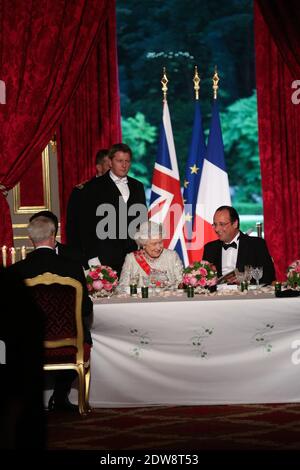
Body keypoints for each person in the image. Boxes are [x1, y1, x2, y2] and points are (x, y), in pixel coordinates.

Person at [7, 215, 93, 412]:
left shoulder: (15, 271)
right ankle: (61, 396)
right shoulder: (71, 268)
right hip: (68, 339)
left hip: (27, 341)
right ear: (53, 236)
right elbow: (86, 309)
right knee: (83, 334)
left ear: (31, 239)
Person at [81, 143, 147, 276]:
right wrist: (92, 258)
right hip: (103, 257)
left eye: (127, 161)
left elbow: (142, 223)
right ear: (110, 162)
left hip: (133, 257)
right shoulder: (93, 187)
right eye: (119, 161)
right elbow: (86, 226)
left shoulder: (138, 186)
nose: (124, 165)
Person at [203, 205, 275, 285]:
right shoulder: (210, 248)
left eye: (222, 224)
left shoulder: (256, 244)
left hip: (247, 295)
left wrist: (245, 278)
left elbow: (269, 276)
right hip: (217, 296)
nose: (216, 229)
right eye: (215, 224)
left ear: (235, 224)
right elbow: (203, 280)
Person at [66, 148, 110, 252]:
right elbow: (72, 227)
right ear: (99, 167)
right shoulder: (81, 191)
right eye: (109, 166)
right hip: (88, 251)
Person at [118, 221, 183, 289]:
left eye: (160, 242)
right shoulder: (131, 259)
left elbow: (181, 283)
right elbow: (122, 287)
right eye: (154, 244)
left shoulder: (172, 256)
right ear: (144, 245)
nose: (158, 247)